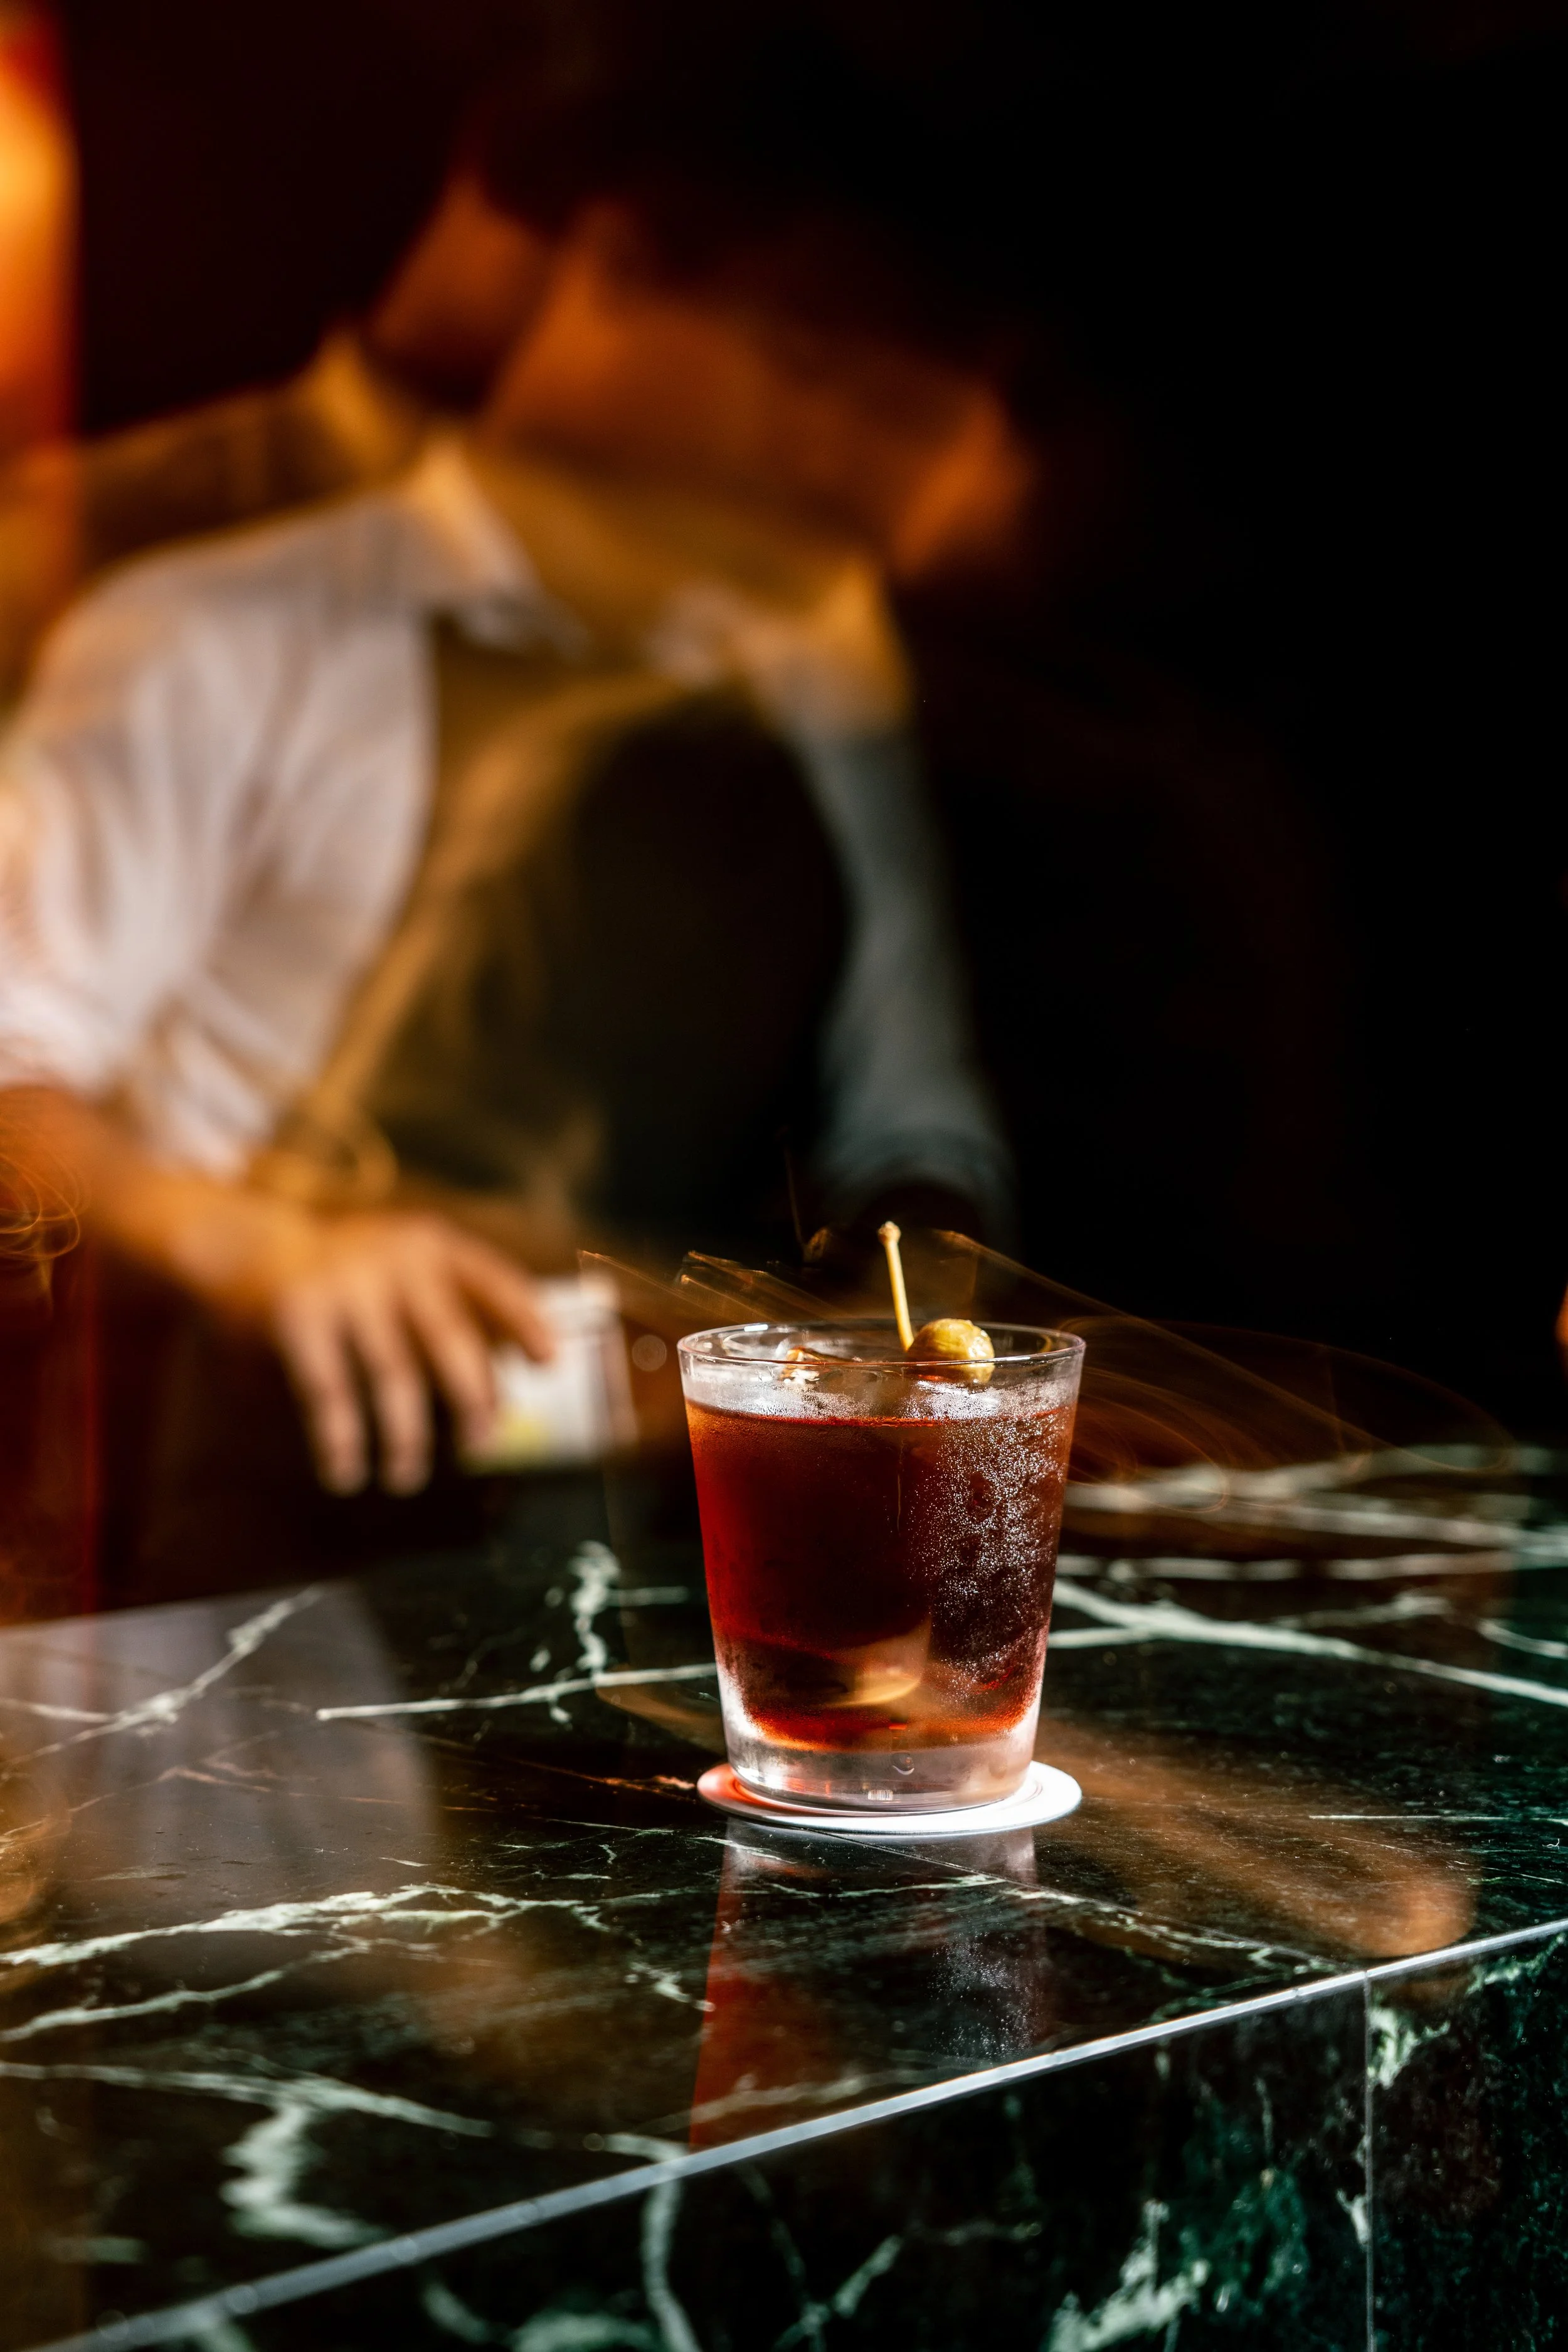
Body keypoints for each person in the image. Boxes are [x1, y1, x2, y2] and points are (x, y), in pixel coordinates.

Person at [0, 29, 1034, 1519]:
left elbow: (910, 1120)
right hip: (264, 1530)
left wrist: (912, 1338)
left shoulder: (823, 687)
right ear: (609, 271)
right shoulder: (214, 634)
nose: (857, 472)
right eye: (808, 376)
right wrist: (269, 1246)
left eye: (902, 418)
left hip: (676, 1524)